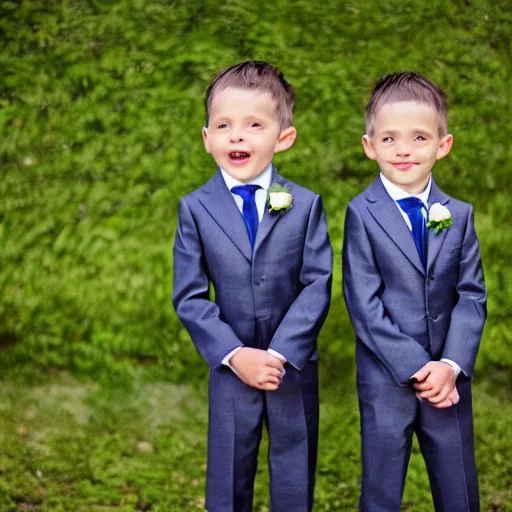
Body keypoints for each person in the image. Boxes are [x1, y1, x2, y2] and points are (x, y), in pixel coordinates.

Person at [172, 60, 332, 512]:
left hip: (292, 365)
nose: (236, 136)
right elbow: (189, 295)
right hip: (231, 365)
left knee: (294, 471)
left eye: (254, 125)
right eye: (224, 125)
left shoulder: (304, 205)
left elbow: (317, 281)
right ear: (207, 139)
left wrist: (280, 353)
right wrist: (236, 354)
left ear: (284, 137)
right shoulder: (195, 209)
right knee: (227, 476)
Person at [342, 71, 487, 511]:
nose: (403, 150)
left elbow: (471, 295)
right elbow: (363, 304)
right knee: (382, 489)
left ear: (443, 146)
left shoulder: (457, 215)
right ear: (370, 147)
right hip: (387, 378)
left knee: (458, 485)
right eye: (389, 139)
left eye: (419, 137)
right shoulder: (361, 215)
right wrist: (417, 367)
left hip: (448, 379)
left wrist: (449, 365)